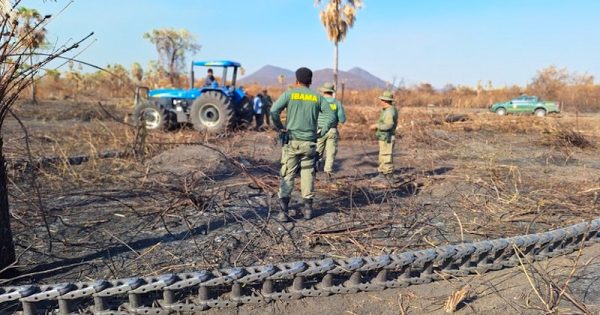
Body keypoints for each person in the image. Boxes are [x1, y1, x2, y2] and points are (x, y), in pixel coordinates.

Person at [270, 67, 328, 222]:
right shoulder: (317, 97)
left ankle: (283, 212)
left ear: (296, 80)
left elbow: (274, 111)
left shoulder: (290, 94)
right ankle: (308, 210)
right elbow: (330, 116)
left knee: (287, 173)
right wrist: (321, 132)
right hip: (309, 142)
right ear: (310, 81)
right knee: (308, 173)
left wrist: (280, 127)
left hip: (292, 142)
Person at [316, 82, 346, 180]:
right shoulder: (337, 103)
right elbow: (342, 119)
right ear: (332, 92)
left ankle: (313, 172)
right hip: (332, 131)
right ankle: (328, 173)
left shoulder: (318, 102)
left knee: (317, 152)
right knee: (330, 153)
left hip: (319, 131)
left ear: (323, 91)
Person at [369, 91, 398, 180]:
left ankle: (389, 176)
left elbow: (389, 125)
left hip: (387, 138)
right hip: (384, 137)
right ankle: (381, 174)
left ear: (385, 101)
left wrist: (376, 126)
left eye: (381, 100)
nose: (380, 102)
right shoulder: (387, 110)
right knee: (382, 156)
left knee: (387, 156)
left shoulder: (389, 112)